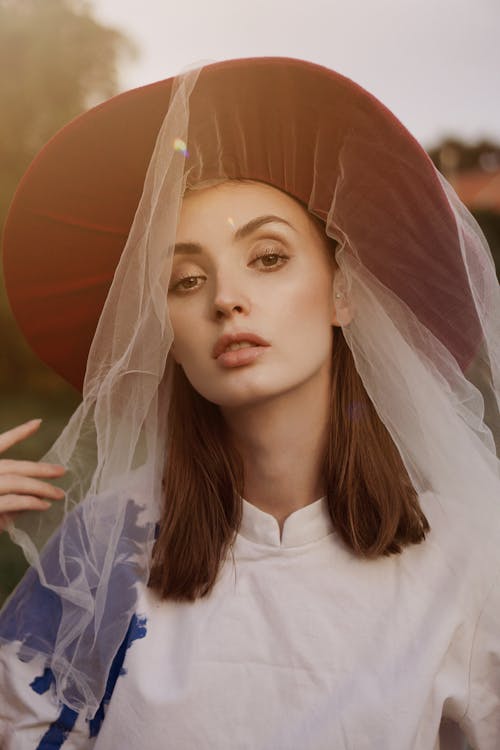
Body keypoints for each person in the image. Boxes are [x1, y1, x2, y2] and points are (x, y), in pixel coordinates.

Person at [0, 57, 499, 749]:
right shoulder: (100, 553)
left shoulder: (470, 561)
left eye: (267, 258)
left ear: (343, 291)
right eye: (184, 279)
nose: (225, 299)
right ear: (159, 335)